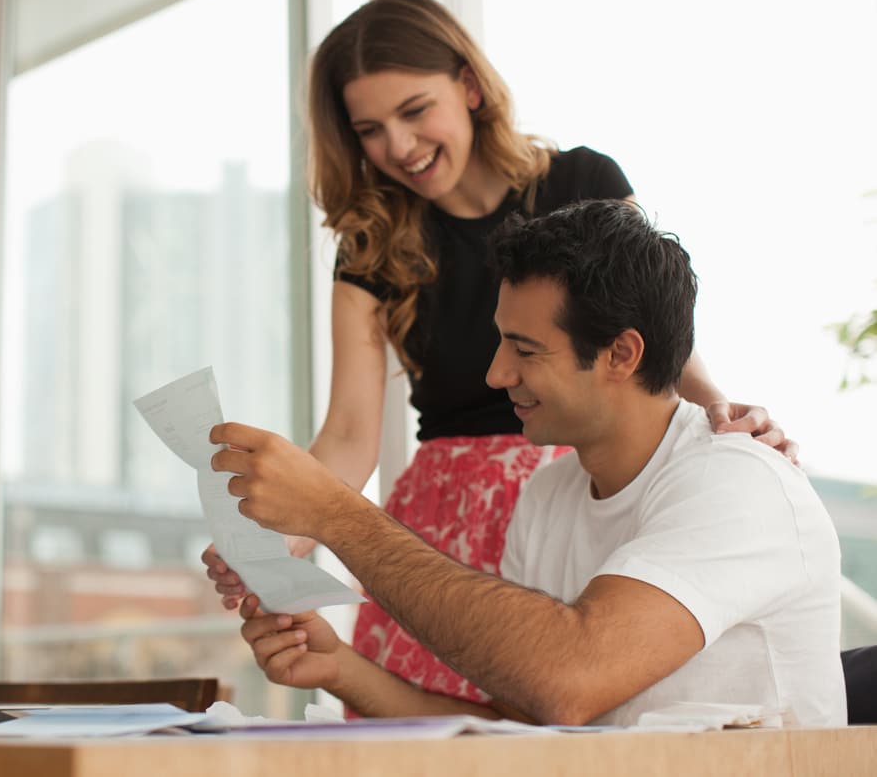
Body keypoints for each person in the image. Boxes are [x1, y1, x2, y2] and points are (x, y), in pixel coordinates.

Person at [202, 0, 796, 710]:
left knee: (562, 709)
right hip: (439, 523)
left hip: (577, 486)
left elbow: (657, 342)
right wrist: (275, 539)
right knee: (423, 737)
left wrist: (724, 420)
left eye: (414, 111)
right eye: (370, 129)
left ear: (470, 87)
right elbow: (351, 434)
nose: (398, 146)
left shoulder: (583, 184)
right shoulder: (373, 240)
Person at [212, 200, 845, 726]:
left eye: (525, 349)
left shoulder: (738, 482)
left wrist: (336, 514)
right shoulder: (549, 495)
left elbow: (569, 679)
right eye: (500, 341)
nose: (496, 373)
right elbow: (526, 732)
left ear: (621, 354)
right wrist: (342, 672)